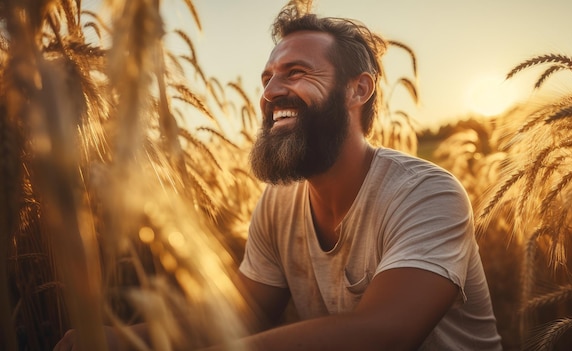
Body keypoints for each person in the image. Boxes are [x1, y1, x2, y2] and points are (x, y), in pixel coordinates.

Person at [55, 7, 502, 351]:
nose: (269, 93)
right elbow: (242, 314)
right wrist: (121, 338)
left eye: (297, 72)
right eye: (267, 78)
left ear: (357, 90)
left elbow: (385, 332)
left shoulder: (426, 193)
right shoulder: (278, 202)